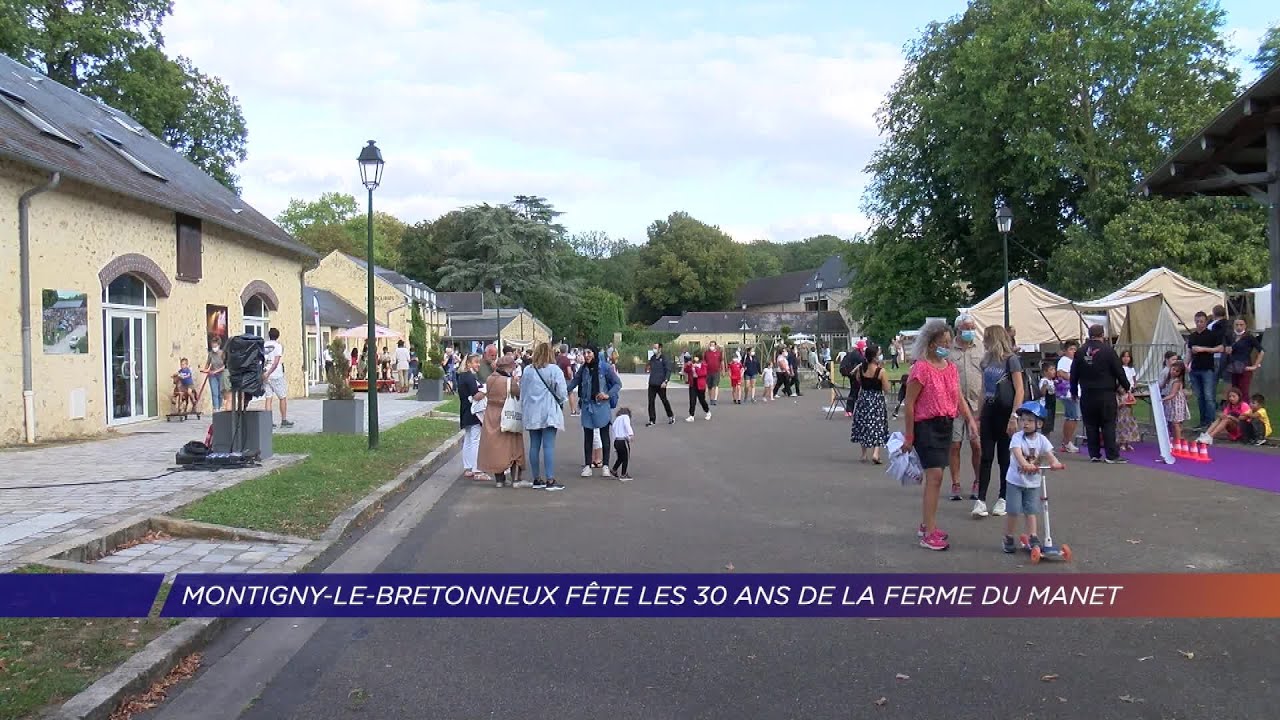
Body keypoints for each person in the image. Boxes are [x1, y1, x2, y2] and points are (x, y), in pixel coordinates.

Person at [902, 319, 979, 551]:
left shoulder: (950, 368)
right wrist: (909, 436)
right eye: (941, 342)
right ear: (931, 343)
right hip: (927, 426)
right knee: (934, 477)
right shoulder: (921, 368)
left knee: (937, 479)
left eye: (948, 341)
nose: (946, 346)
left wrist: (970, 420)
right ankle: (928, 531)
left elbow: (957, 397)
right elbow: (910, 403)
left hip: (946, 424)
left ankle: (928, 524)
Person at [973, 326, 1023, 519]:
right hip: (989, 412)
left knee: (1004, 458)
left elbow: (1019, 389)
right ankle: (981, 499)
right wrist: (978, 415)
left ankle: (1003, 497)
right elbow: (984, 389)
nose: (983, 341)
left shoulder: (1011, 360)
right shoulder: (986, 361)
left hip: (1005, 412)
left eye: (986, 338)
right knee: (986, 456)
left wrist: (1014, 416)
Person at [1002, 402, 1065, 554]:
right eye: (1022, 420)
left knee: (1032, 510)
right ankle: (1009, 537)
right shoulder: (1017, 437)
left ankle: (1033, 536)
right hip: (1015, 481)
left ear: (1039, 423)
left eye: (1030, 420)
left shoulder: (1042, 440)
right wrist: (1024, 464)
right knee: (1014, 510)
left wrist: (1055, 463)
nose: (1025, 423)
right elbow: (1016, 452)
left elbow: (1050, 455)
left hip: (1033, 482)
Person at [1070, 324, 1130, 464]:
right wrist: (1127, 386)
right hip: (1105, 393)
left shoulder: (1080, 352)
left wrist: (1073, 391)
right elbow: (1118, 371)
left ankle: (1094, 454)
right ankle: (1111, 455)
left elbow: (1074, 374)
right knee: (1108, 424)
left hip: (1087, 393)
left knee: (1091, 425)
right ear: (1102, 335)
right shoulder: (1108, 351)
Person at [567, 346, 621, 477]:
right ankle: (587, 466)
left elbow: (617, 383)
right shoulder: (583, 369)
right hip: (587, 405)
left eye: (589, 352)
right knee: (588, 436)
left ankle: (606, 466)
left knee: (604, 436)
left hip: (601, 406)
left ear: (595, 353)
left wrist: (608, 394)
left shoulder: (605, 367)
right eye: (584, 353)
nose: (586, 355)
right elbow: (574, 382)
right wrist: (562, 390)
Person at [521, 342, 567, 491]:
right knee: (548, 446)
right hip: (548, 411)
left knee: (534, 445)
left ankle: (536, 479)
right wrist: (561, 401)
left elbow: (523, 392)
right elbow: (561, 392)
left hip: (532, 411)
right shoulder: (554, 370)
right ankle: (550, 479)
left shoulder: (528, 370)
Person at [950, 314, 984, 502]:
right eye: (966, 327)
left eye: (972, 327)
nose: (970, 331)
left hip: (976, 404)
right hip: (954, 405)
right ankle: (955, 483)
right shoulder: (949, 350)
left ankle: (978, 481)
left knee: (976, 445)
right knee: (955, 444)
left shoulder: (981, 347)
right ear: (958, 329)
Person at [478, 355, 525, 487]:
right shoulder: (509, 381)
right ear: (509, 367)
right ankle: (516, 479)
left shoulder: (489, 379)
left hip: (491, 414)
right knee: (514, 446)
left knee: (495, 448)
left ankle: (499, 480)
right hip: (507, 414)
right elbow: (518, 393)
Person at [850, 343, 891, 463]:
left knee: (863, 424)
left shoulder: (861, 368)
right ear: (874, 357)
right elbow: (886, 388)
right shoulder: (880, 371)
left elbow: (858, 380)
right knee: (877, 425)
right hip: (876, 399)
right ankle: (876, 453)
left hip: (864, 397)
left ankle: (863, 454)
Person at [1186, 311, 1225, 430]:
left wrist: (1203, 349)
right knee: (1200, 396)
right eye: (1197, 321)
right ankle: (1203, 422)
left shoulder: (1211, 335)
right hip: (1195, 369)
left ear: (1205, 322)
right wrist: (1186, 364)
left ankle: (1211, 422)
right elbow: (1189, 351)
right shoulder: (1192, 336)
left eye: (1201, 321)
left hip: (1207, 369)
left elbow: (1220, 348)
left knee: (1209, 396)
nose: (1199, 324)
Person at [457, 354, 488, 481]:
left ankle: (468, 467)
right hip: (473, 412)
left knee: (469, 439)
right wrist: (485, 391)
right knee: (475, 440)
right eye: (476, 362)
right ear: (468, 363)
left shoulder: (462, 376)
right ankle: (477, 469)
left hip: (465, 411)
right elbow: (476, 395)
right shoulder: (469, 377)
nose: (478, 365)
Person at [1225, 318, 1265, 398]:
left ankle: (1245, 409)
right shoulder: (1230, 336)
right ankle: (1236, 409)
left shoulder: (1249, 337)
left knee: (1243, 391)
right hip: (1233, 367)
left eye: (1241, 325)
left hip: (1244, 367)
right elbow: (1225, 348)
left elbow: (1261, 351)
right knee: (1234, 392)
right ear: (1233, 325)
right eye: (1236, 325)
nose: (1239, 327)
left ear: (1245, 326)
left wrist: (1255, 366)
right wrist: (1227, 350)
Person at [262, 327, 292, 427]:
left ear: (269, 335)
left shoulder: (264, 345)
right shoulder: (278, 346)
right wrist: (269, 372)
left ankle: (268, 421)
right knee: (282, 397)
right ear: (277, 336)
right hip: (275, 374)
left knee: (268, 397)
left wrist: (265, 373)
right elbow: (275, 363)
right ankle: (283, 420)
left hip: (265, 372)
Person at [1055, 340, 1080, 453]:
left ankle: (1066, 441)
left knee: (1072, 417)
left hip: (1074, 392)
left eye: (1075, 349)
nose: (1073, 352)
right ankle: (1066, 442)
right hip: (1068, 393)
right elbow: (1060, 373)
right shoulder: (1064, 361)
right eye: (1071, 349)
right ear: (1065, 351)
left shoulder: (1074, 361)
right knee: (1073, 417)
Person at [645, 343, 675, 426]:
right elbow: (648, 367)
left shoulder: (664, 359)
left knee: (664, 400)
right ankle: (652, 420)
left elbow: (668, 370)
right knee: (651, 401)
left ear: (660, 349)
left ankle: (670, 415)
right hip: (652, 383)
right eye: (653, 347)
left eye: (655, 347)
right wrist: (647, 368)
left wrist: (665, 381)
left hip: (661, 383)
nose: (654, 349)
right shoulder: (652, 358)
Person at [1116, 350, 1140, 452]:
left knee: (1129, 419)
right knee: (1121, 419)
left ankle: (1128, 441)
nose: (1126, 359)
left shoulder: (1131, 369)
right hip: (1121, 393)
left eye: (1128, 357)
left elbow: (1134, 381)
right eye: (1124, 357)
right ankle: (1121, 441)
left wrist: (1132, 388)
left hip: (1128, 393)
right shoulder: (1119, 369)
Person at [1162, 359, 1190, 442]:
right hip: (1170, 404)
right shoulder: (1169, 379)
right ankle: (1176, 438)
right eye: (1173, 369)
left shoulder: (1177, 381)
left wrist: (1163, 399)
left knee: (1176, 423)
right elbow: (1162, 386)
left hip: (1177, 404)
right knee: (1172, 423)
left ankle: (1178, 441)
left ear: (1180, 373)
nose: (1174, 372)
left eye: (1177, 371)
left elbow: (1173, 394)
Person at [200, 339, 228, 412]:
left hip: (221, 374)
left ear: (219, 345)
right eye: (212, 346)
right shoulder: (210, 354)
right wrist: (205, 369)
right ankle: (216, 408)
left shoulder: (222, 354)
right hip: (212, 375)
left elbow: (225, 365)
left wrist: (216, 371)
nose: (214, 347)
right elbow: (208, 363)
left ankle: (220, 406)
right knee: (214, 391)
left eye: (215, 346)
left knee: (220, 392)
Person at [610, 407, 635, 481]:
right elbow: (627, 425)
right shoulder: (625, 417)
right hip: (623, 441)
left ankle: (614, 469)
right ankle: (623, 474)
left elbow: (613, 430)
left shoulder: (616, 420)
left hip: (616, 441)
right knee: (625, 458)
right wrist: (630, 434)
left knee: (620, 457)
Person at [684, 353, 710, 421]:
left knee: (702, 400)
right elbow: (686, 370)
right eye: (694, 357)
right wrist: (689, 365)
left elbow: (704, 373)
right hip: (693, 384)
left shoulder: (703, 364)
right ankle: (691, 415)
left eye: (697, 357)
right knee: (692, 400)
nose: (695, 358)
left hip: (700, 385)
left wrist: (697, 369)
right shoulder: (691, 364)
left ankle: (707, 412)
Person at [704, 341, 724, 406]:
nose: (711, 346)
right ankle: (711, 399)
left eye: (713, 345)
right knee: (709, 386)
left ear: (715, 346)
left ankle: (715, 399)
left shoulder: (718, 353)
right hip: (708, 372)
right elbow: (704, 362)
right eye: (710, 345)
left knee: (715, 385)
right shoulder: (706, 353)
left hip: (716, 371)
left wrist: (723, 370)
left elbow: (722, 361)